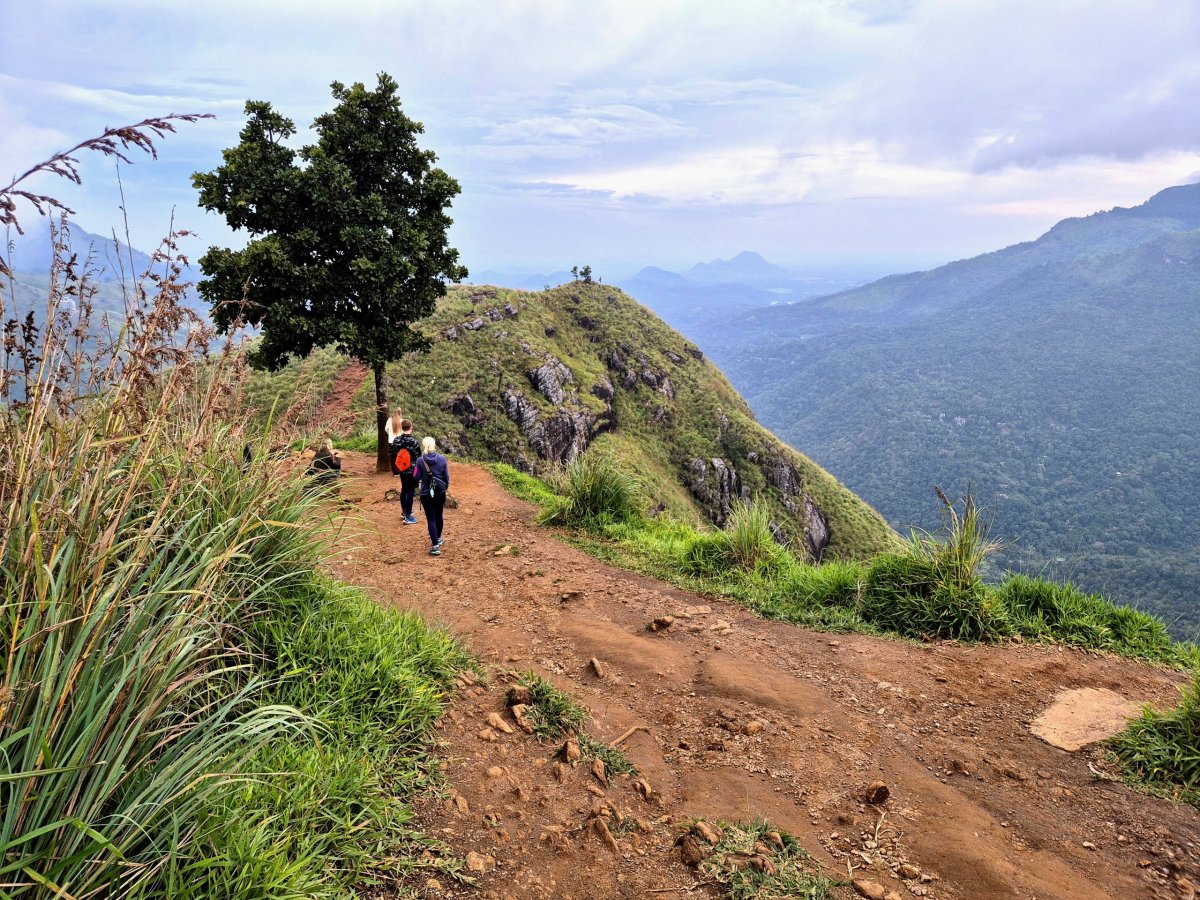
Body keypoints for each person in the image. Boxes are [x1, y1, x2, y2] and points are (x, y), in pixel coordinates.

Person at [416, 436, 449, 555]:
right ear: (434, 445)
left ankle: (435, 546)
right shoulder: (442, 459)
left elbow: (416, 476)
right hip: (439, 492)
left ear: (424, 445)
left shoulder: (420, 461)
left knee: (431, 519)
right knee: (439, 516)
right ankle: (438, 538)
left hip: (426, 493)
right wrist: (445, 488)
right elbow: (446, 477)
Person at [391, 419, 422, 524]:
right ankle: (408, 517)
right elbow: (419, 458)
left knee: (404, 489)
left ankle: (404, 511)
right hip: (412, 470)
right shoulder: (414, 442)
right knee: (410, 491)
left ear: (401, 427)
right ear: (411, 428)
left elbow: (392, 453)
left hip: (402, 470)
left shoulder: (397, 440)